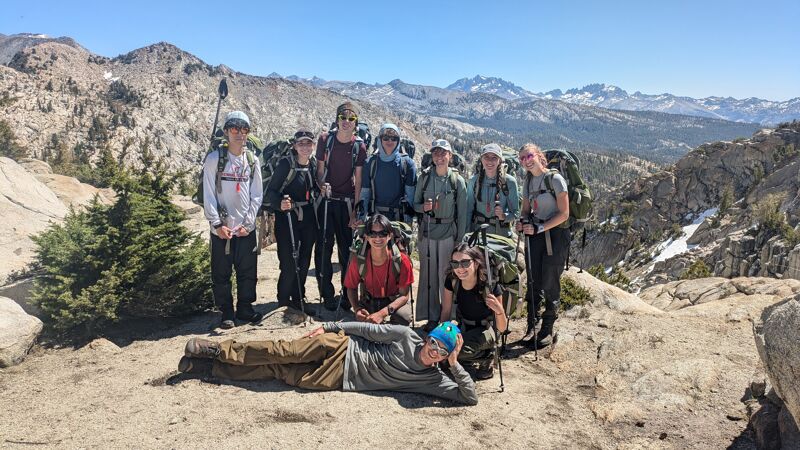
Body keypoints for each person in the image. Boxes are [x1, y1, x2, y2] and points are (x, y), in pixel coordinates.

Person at [177, 321, 478, 406]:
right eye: (434, 343)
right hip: (343, 345)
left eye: (442, 351)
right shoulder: (404, 335)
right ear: (427, 338)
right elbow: (368, 330)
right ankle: (218, 350)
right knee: (286, 350)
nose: (434, 352)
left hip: (339, 377)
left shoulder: (433, 379)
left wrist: (454, 365)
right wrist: (332, 326)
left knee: (279, 371)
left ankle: (209, 369)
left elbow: (469, 397)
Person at [202, 111, 264, 329]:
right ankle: (226, 311)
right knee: (221, 273)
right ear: (227, 131)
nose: (239, 134)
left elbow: (257, 195)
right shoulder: (214, 160)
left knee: (248, 271)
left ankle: (245, 308)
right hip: (222, 230)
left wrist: (248, 224)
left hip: (245, 230)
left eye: (244, 129)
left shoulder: (252, 160)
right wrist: (216, 224)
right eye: (235, 129)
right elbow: (208, 194)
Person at [515, 143, 570, 348]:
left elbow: (564, 213)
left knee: (550, 282)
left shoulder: (555, 179)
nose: (526, 161)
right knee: (533, 280)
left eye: (528, 156)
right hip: (536, 234)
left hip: (556, 235)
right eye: (522, 159)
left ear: (538, 155)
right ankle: (532, 324)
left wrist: (540, 228)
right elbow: (526, 209)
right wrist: (523, 221)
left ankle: (547, 328)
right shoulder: (529, 180)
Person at [315, 102, 368, 311]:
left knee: (347, 253)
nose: (346, 122)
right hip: (326, 202)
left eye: (351, 118)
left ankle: (347, 295)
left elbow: (359, 179)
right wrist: (321, 185)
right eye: (343, 117)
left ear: (356, 123)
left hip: (346, 203)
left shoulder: (359, 147)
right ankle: (326, 294)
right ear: (337, 119)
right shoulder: (324, 140)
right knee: (324, 249)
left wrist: (355, 209)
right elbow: (319, 170)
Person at [414, 139, 468, 332]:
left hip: (448, 234)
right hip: (427, 233)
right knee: (428, 277)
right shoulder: (425, 178)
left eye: (443, 153)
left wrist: (459, 242)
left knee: (446, 277)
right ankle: (430, 316)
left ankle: (448, 317)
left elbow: (462, 214)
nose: (439, 157)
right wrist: (423, 208)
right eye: (436, 153)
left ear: (450, 156)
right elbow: (415, 205)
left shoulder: (457, 181)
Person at [265, 128, 320, 313]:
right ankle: (283, 299)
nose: (305, 147)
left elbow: (313, 190)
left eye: (308, 143)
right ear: (295, 145)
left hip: (308, 217)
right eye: (301, 143)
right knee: (288, 260)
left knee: (304, 259)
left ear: (313, 146)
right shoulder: (285, 165)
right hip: (286, 217)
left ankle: (298, 297)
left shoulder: (312, 165)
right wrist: (280, 203)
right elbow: (271, 192)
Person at [439, 243, 507, 380]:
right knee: (442, 352)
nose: (460, 268)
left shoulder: (490, 286)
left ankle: (486, 356)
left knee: (455, 352)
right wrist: (441, 338)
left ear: (476, 264)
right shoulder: (452, 280)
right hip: (464, 326)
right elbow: (445, 312)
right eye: (455, 263)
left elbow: (502, 327)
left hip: (486, 330)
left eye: (465, 263)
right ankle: (465, 356)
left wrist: (499, 311)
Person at [343, 214, 413, 325]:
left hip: (392, 302)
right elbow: (351, 288)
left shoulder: (402, 261)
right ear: (366, 236)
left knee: (403, 317)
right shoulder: (359, 260)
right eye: (372, 233)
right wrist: (357, 309)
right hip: (368, 301)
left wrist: (383, 313)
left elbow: (404, 295)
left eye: (382, 234)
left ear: (390, 235)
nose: (377, 238)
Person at [359, 124, 417, 224]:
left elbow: (410, 197)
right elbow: (365, 194)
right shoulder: (370, 163)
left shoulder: (407, 164)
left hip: (399, 219)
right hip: (375, 219)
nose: (389, 141)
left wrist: (407, 225)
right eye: (386, 138)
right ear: (380, 140)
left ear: (398, 141)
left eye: (394, 138)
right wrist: (361, 219)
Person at [466, 143, 520, 238]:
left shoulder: (509, 182)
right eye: (486, 157)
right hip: (477, 234)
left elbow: (515, 213)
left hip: (501, 236)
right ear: (481, 159)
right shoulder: (474, 181)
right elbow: (468, 210)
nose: (490, 161)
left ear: (499, 160)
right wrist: (466, 234)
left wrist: (503, 216)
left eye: (494, 157)